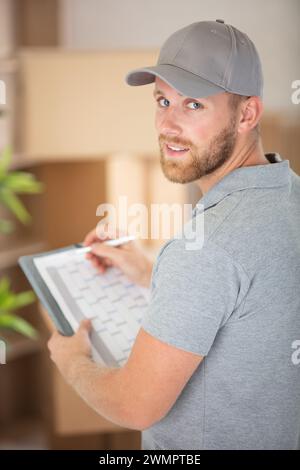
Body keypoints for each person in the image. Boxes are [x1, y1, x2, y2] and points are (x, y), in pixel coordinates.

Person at [48, 20, 300, 450]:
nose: (167, 124)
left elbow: (135, 406)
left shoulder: (208, 246)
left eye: (194, 105)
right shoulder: (288, 195)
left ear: (247, 114)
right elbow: (254, 305)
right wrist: (153, 275)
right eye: (163, 100)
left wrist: (72, 360)